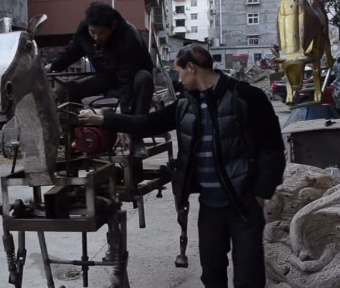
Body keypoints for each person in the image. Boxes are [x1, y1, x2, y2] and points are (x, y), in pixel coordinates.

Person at [79, 44, 285, 288]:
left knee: (249, 276)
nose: (178, 78)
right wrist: (105, 120)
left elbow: (273, 148)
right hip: (210, 206)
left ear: (192, 67)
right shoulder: (186, 105)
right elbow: (149, 123)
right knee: (211, 274)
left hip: (243, 203)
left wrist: (261, 192)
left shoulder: (247, 97)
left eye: (179, 72)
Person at [45, 2, 155, 158]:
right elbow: (72, 51)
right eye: (93, 32)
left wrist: (123, 124)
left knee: (144, 78)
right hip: (106, 76)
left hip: (133, 79)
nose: (97, 37)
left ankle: (137, 139)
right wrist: (52, 66)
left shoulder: (129, 37)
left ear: (113, 25)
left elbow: (126, 84)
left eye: (102, 33)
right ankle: (78, 138)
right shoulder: (84, 30)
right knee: (65, 90)